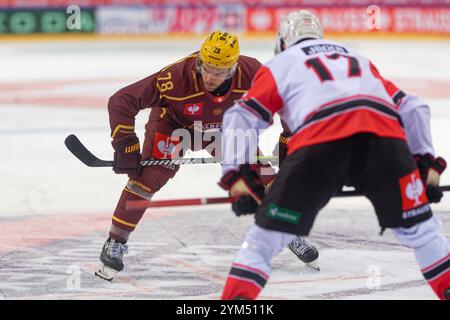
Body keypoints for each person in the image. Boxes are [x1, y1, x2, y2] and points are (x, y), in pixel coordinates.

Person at [218, 10, 449, 300]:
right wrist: (425, 161)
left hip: (320, 146)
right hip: (384, 145)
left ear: (282, 42)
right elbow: (414, 108)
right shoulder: (358, 59)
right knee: (423, 232)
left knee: (263, 243)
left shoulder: (282, 63)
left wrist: (235, 174)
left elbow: (241, 117)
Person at [96, 31, 319, 281]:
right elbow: (121, 101)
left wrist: (288, 139)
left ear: (233, 69)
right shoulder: (175, 78)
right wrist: (125, 143)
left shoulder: (254, 73)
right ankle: (115, 242)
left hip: (224, 128)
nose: (210, 77)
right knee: (148, 178)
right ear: (200, 60)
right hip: (174, 126)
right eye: (206, 67)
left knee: (261, 175)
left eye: (220, 71)